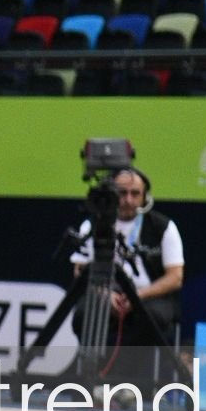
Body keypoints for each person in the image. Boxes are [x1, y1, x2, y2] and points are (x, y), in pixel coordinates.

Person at [68, 166, 185, 392]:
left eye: (135, 193)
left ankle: (118, 383)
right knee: (83, 313)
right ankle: (92, 379)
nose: (128, 200)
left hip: (147, 296)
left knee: (151, 318)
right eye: (122, 193)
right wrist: (106, 294)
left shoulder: (163, 227)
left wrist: (137, 297)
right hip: (105, 293)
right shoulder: (93, 225)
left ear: (144, 196)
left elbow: (175, 277)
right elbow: (80, 270)